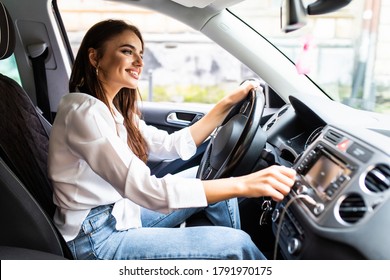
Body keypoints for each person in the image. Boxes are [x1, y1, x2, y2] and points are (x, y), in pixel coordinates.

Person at [48, 19, 296, 260]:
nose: (139, 61)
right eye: (127, 51)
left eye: (141, 54)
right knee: (237, 245)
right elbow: (148, 191)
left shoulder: (110, 110)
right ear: (95, 58)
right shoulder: (85, 114)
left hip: (122, 213)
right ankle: (234, 254)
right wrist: (246, 184)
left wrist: (228, 103)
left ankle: (225, 259)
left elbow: (170, 145)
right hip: (96, 241)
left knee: (213, 180)